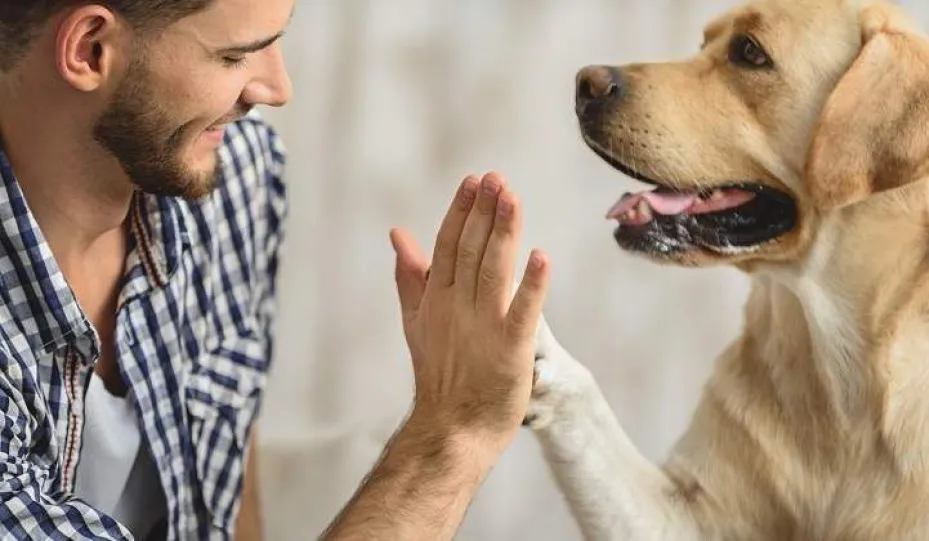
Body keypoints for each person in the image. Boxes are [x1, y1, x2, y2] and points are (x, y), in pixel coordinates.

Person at [0, 0, 551, 540]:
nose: (276, 89)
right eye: (235, 56)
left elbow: (227, 477)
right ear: (91, 50)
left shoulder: (233, 173)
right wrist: (455, 432)